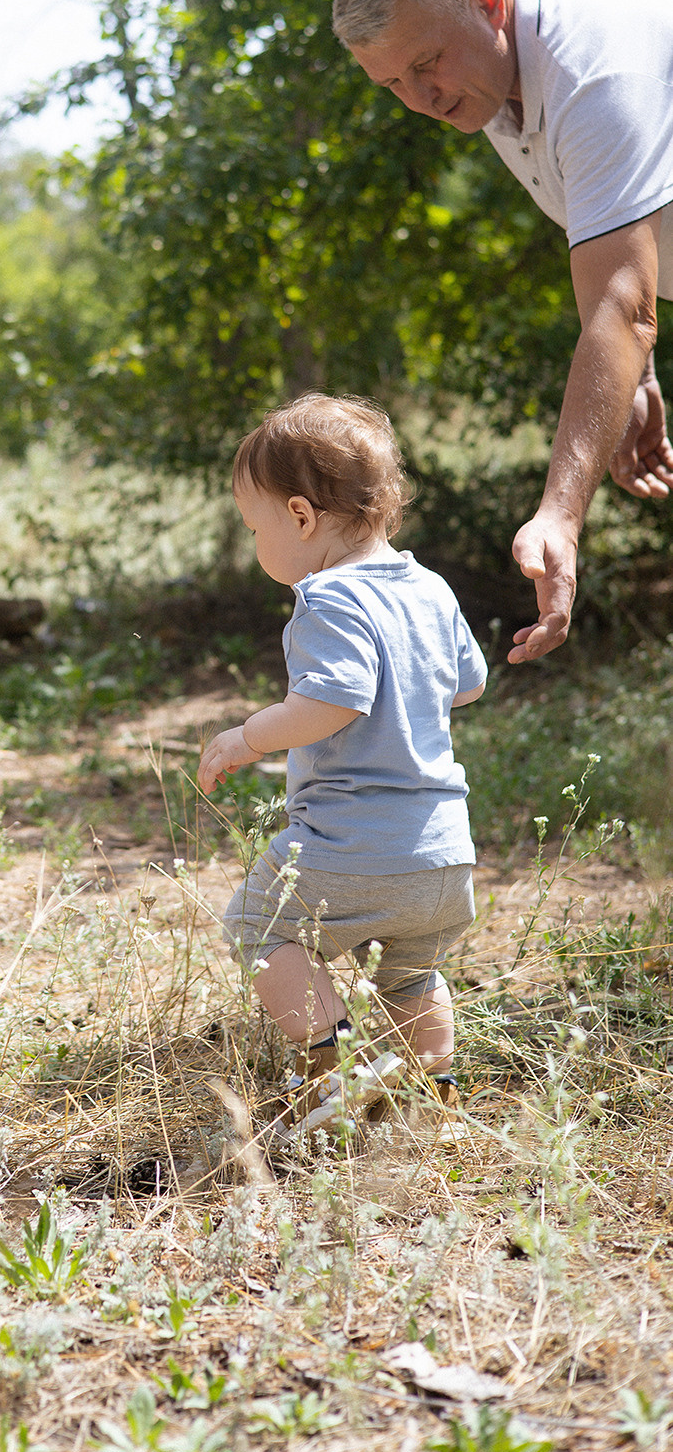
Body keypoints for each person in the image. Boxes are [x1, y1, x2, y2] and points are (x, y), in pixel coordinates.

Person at [332, 0, 673, 665]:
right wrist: (638, 379)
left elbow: (623, 309)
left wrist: (557, 516)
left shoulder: (591, 68)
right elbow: (608, 230)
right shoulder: (486, 76)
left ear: (487, 0)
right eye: (392, 83)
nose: (420, 97)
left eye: (427, 64)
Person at [197, 394, 487, 1143]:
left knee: (257, 927)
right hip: (443, 856)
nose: (255, 540)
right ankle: (432, 1102)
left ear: (300, 517)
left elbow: (332, 699)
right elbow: (469, 683)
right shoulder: (429, 587)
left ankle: (335, 1073)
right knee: (412, 978)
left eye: (253, 525)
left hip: (352, 844)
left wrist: (247, 737)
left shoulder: (326, 596)